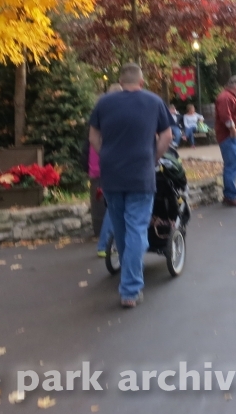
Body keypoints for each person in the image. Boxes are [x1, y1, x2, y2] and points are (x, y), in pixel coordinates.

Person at [89, 64, 173, 307]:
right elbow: (166, 135)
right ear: (142, 82)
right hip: (140, 174)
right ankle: (130, 289)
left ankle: (129, 281)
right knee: (137, 228)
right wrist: (153, 157)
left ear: (120, 81)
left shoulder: (104, 103)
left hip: (112, 175)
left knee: (121, 228)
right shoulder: (153, 101)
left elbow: (93, 137)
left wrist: (105, 155)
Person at [87, 83, 122, 258]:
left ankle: (107, 243)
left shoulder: (99, 112)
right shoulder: (110, 114)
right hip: (106, 168)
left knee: (112, 206)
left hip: (98, 167)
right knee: (113, 207)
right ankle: (104, 244)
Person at [215, 76, 236, 207]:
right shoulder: (226, 97)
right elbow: (225, 115)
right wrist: (232, 128)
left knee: (233, 164)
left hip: (233, 136)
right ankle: (231, 195)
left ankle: (230, 194)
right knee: (233, 165)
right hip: (229, 137)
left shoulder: (229, 97)